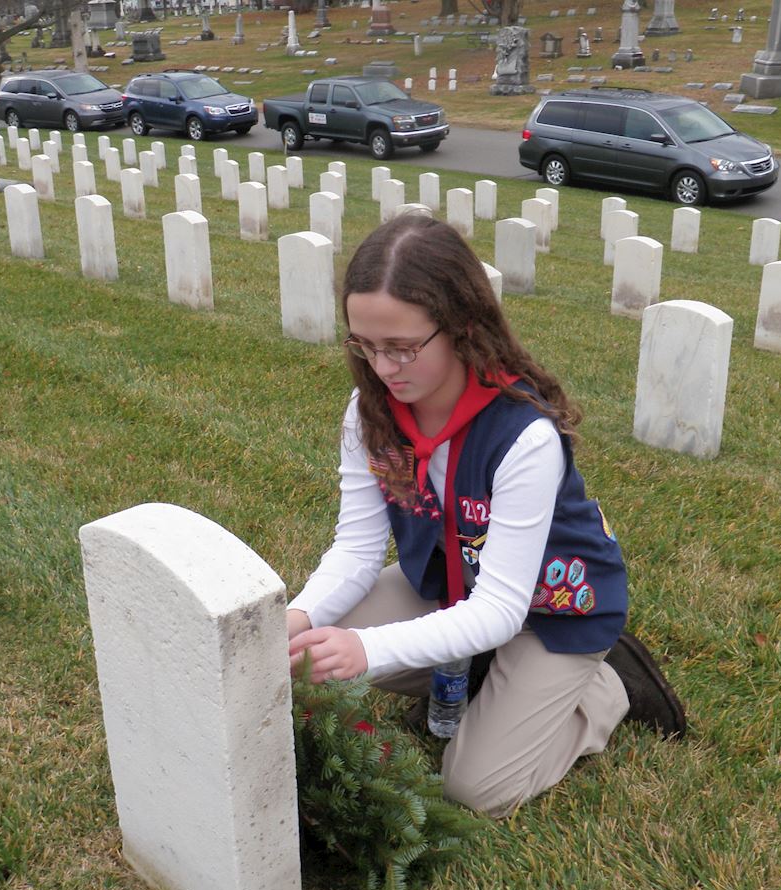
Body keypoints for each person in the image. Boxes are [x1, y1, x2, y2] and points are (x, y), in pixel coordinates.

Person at [287, 214, 684, 819]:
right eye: (364, 345)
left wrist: (367, 649)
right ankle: (488, 675)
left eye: (402, 347)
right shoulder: (368, 412)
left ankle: (600, 690)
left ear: (462, 329)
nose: (383, 368)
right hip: (455, 589)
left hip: (551, 613)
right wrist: (302, 615)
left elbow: (503, 608)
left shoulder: (523, 436)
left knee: (475, 789)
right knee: (311, 654)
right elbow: (357, 550)